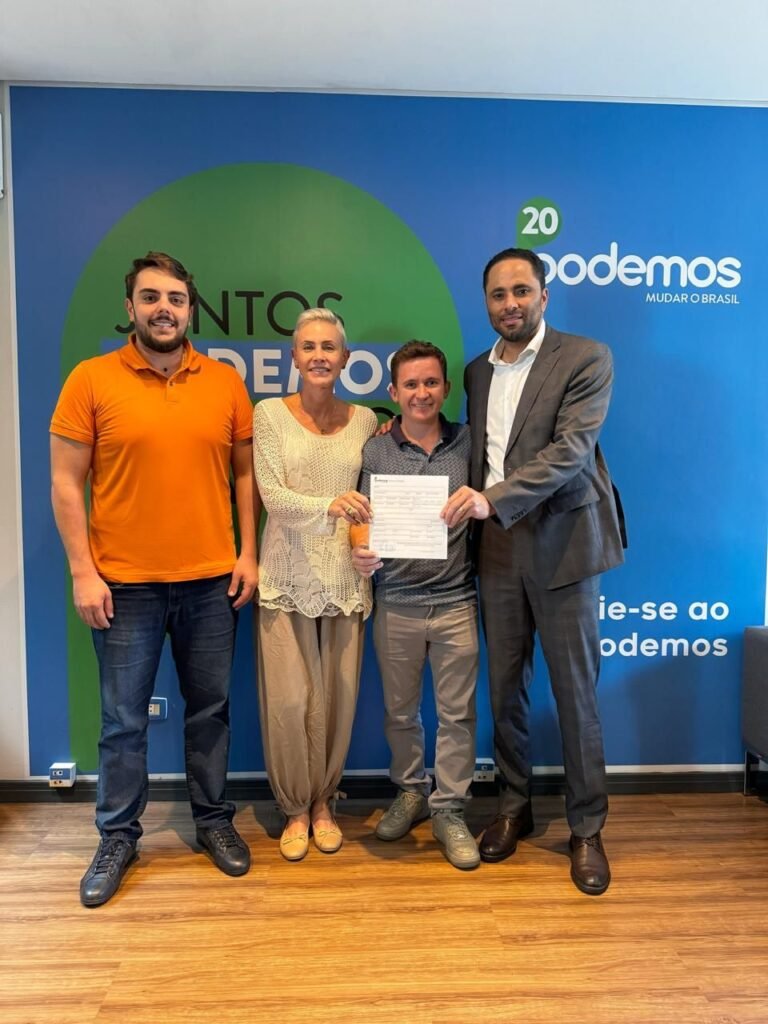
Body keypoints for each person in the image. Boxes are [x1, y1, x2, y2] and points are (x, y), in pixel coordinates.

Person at [50, 251, 259, 907]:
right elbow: (65, 482)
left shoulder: (224, 382)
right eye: (150, 297)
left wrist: (248, 554)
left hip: (211, 583)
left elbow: (245, 473)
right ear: (130, 307)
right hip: (124, 587)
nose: (163, 309)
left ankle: (213, 821)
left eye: (175, 298)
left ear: (190, 309)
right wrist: (83, 572)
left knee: (210, 712)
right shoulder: (90, 380)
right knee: (122, 723)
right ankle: (117, 837)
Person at [442, 247, 625, 895]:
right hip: (495, 547)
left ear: (544, 295)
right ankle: (513, 806)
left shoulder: (586, 357)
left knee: (576, 695)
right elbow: (477, 452)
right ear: (486, 303)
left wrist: (492, 499)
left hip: (564, 544)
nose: (510, 303)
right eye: (498, 294)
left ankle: (586, 828)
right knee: (504, 691)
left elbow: (570, 452)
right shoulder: (476, 371)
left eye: (521, 290)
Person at [253, 308, 377, 861]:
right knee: (289, 700)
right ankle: (294, 807)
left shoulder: (367, 421)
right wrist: (331, 504)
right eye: (309, 347)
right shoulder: (269, 415)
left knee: (338, 699)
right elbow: (273, 497)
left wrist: (370, 546)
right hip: (285, 577)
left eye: (329, 347)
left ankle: (324, 802)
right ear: (294, 356)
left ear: (345, 359)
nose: (320, 356)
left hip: (347, 579)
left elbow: (375, 497)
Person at [351, 341, 480, 870]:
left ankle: (450, 809)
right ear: (393, 391)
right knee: (400, 713)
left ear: (445, 388)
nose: (421, 393)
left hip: (456, 601)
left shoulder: (469, 442)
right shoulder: (375, 450)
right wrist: (358, 550)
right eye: (411, 384)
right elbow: (360, 517)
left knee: (457, 715)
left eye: (430, 383)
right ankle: (410, 792)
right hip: (396, 602)